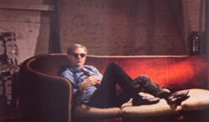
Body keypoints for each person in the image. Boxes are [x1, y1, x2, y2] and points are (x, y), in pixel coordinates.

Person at [60, 44, 188, 114]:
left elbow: (105, 82)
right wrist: (83, 86)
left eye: (82, 55)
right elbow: (67, 99)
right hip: (95, 100)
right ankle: (137, 98)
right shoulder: (67, 73)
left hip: (110, 96)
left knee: (142, 78)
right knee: (113, 66)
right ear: (69, 56)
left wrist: (101, 81)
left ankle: (168, 96)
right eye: (75, 55)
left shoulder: (91, 69)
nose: (79, 58)